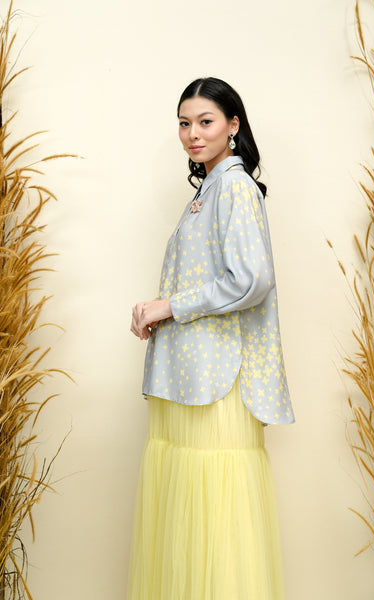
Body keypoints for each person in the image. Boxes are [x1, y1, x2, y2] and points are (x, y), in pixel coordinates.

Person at [128, 77, 294, 600]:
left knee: (217, 514)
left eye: (205, 122)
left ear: (232, 126)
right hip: (192, 377)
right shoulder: (209, 191)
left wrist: (169, 305)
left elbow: (251, 280)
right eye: (184, 123)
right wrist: (160, 308)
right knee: (189, 511)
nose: (193, 134)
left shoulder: (235, 187)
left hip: (218, 381)